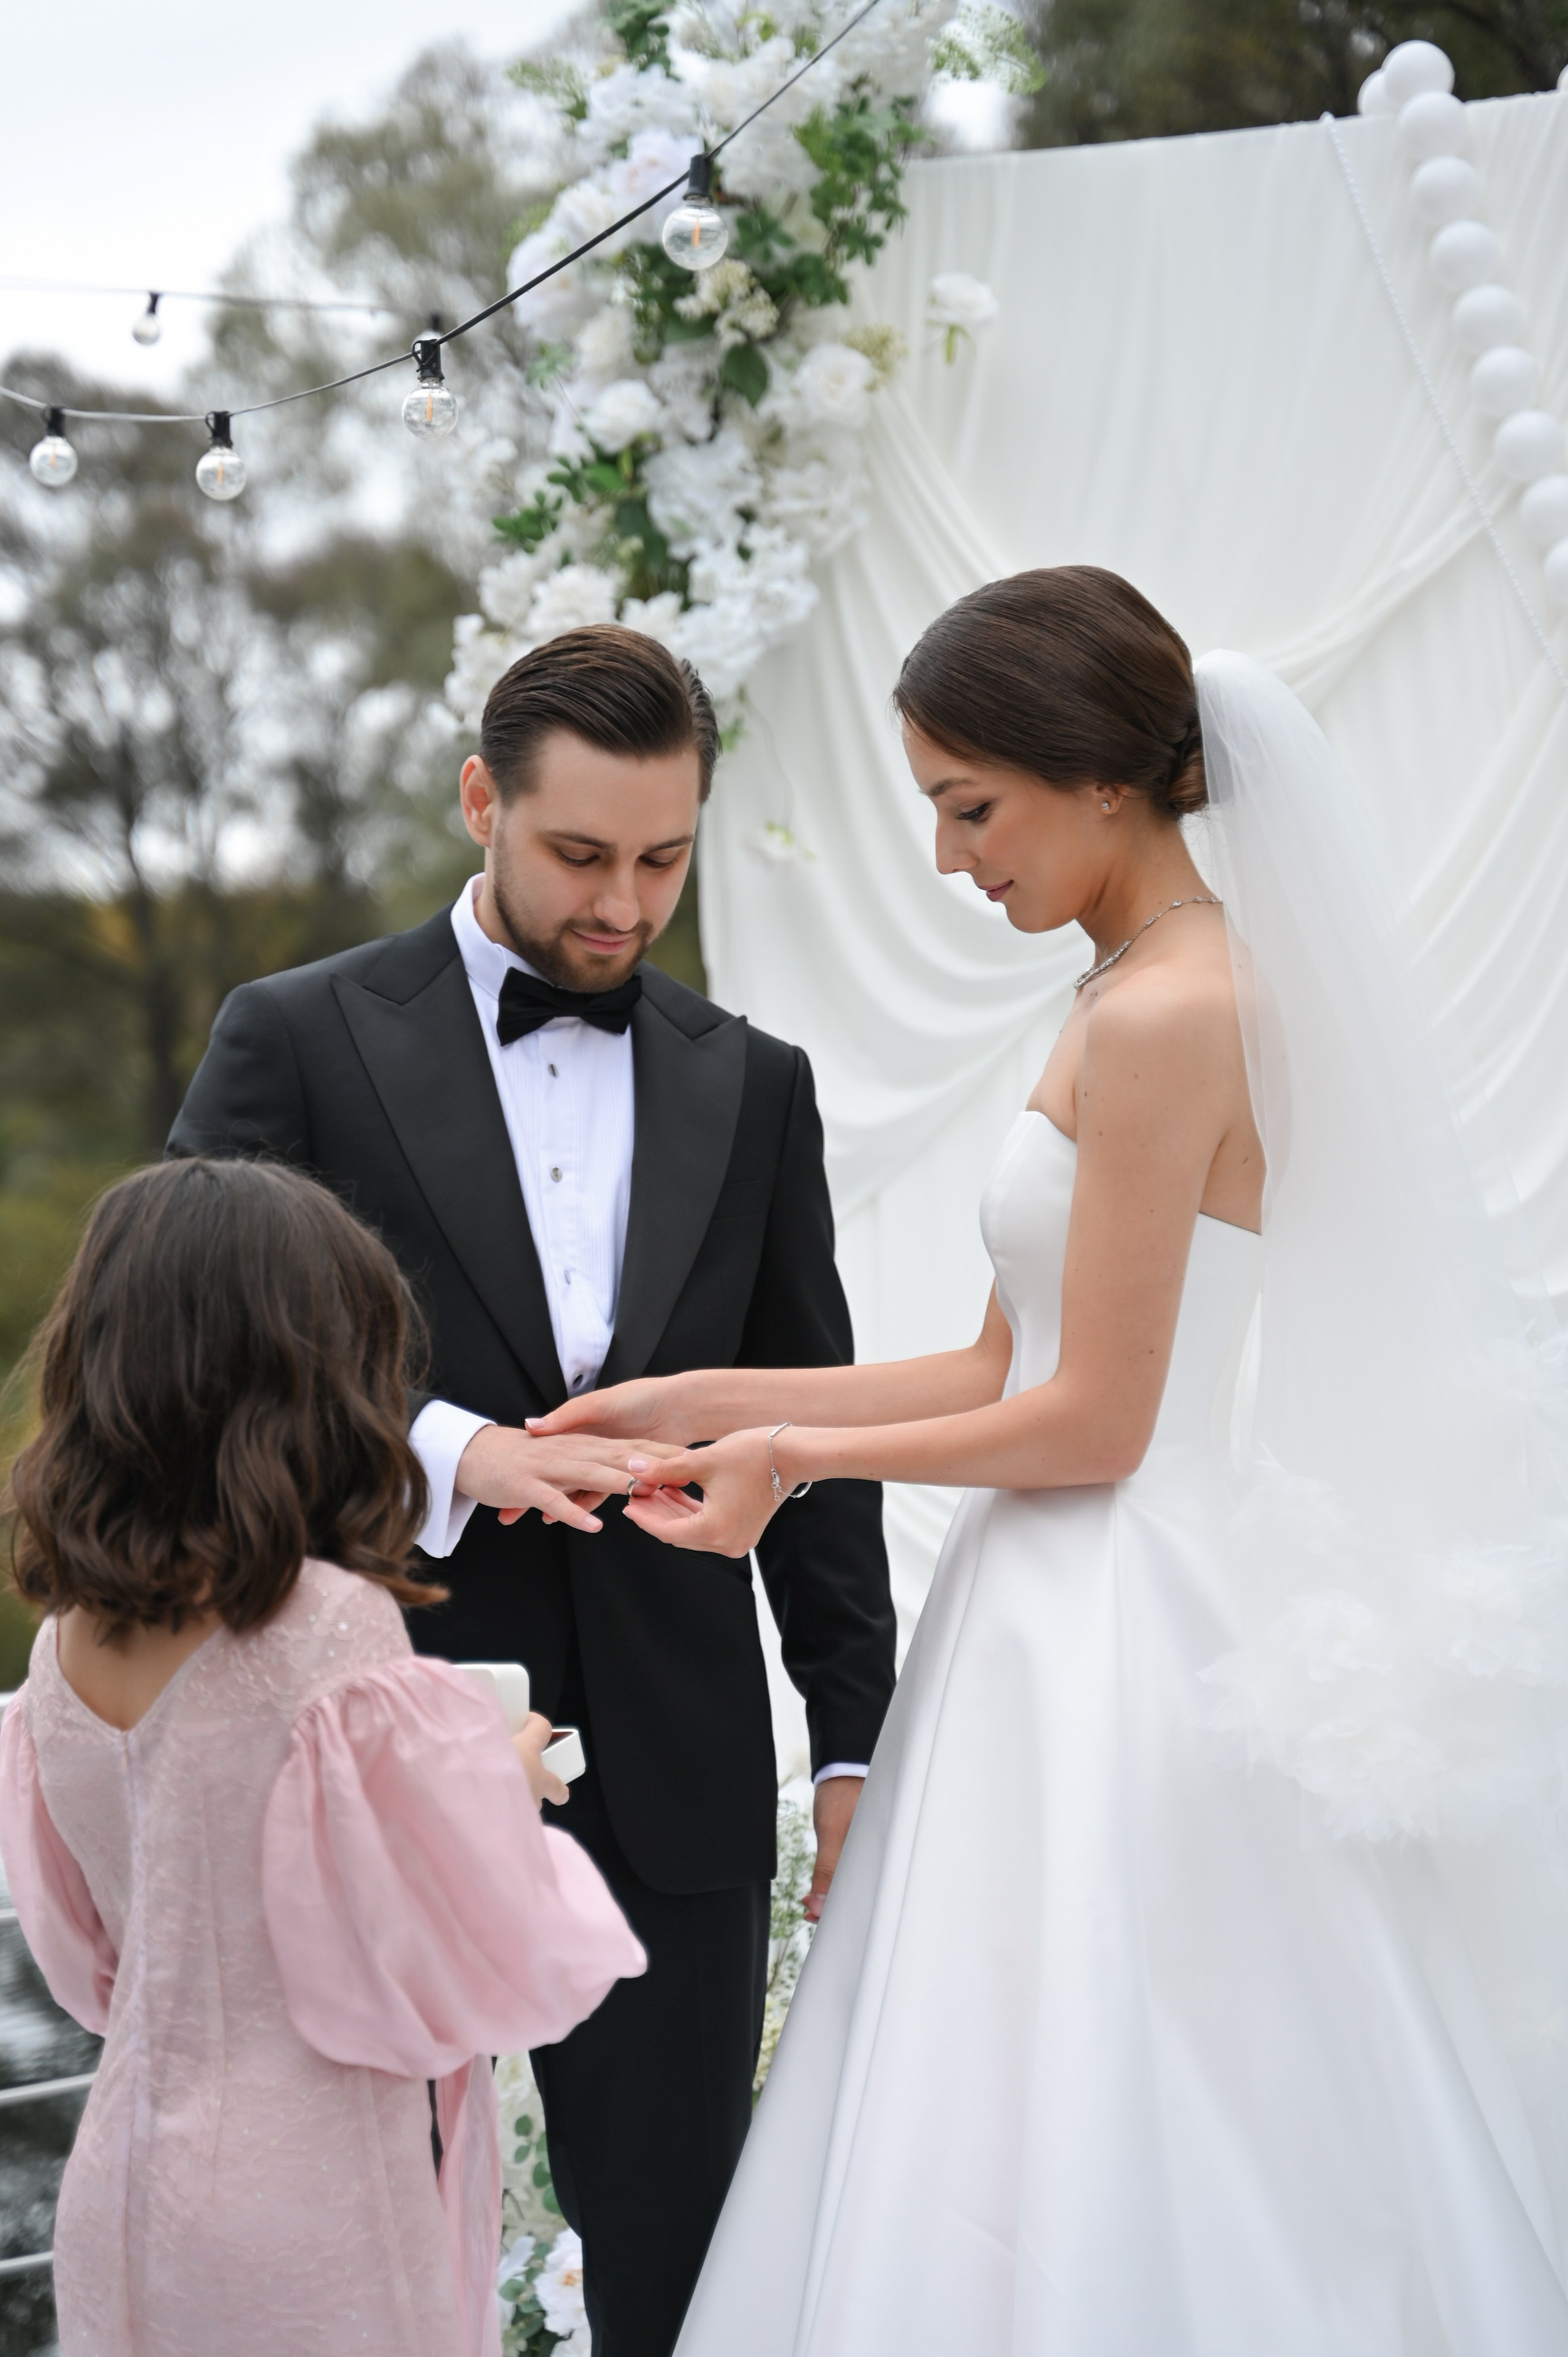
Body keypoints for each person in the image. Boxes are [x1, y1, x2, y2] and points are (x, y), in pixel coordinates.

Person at [539, 570, 1568, 2353]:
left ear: (1102, 779)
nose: (951, 859)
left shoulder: (1178, 1013)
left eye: (970, 807)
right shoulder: (1120, 986)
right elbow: (996, 1362)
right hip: (1042, 1606)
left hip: (1122, 1617)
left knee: (1112, 2089)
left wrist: (784, 1455)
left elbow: (1101, 1424)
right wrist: (694, 1398)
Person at [166, 624, 895, 2357]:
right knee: (351, 2271)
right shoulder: (294, 1034)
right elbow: (179, 1352)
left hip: (682, 1773)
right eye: (581, 854)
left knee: (683, 2279)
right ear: (482, 799)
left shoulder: (756, 1084)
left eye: (665, 858)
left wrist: (857, 1739)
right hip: (363, 1741)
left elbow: (822, 1431)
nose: (625, 907)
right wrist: (447, 1449)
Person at [0, 1156, 645, 2357]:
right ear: (299, 1370)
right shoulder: (323, 1621)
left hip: (121, 2175)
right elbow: (436, 1951)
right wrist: (499, 1772)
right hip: (308, 2187)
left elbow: (93, 1958)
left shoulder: (60, 1645)